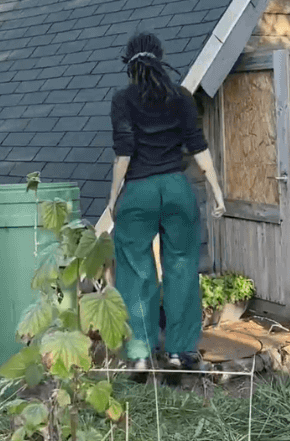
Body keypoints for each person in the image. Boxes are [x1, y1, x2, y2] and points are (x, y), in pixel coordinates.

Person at [106, 32, 225, 383]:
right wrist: (217, 190)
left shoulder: (122, 100)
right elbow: (198, 147)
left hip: (139, 191)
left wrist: (114, 197)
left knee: (135, 271)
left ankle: (141, 356)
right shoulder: (182, 98)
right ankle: (179, 352)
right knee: (182, 267)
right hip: (176, 188)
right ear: (160, 59)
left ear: (129, 65)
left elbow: (123, 153)